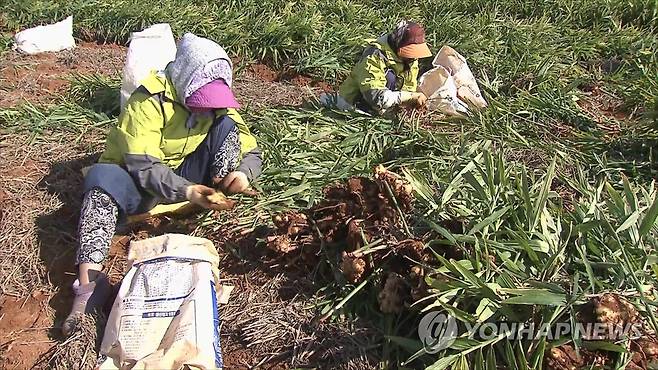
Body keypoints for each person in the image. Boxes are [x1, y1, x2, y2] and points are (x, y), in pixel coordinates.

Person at [61, 33, 262, 335]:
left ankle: (219, 184)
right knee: (101, 181)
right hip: (138, 183)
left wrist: (243, 173)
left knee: (227, 127)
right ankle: (90, 287)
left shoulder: (217, 103)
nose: (206, 108)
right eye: (200, 101)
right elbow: (144, 166)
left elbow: (252, 149)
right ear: (183, 80)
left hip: (186, 176)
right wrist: (188, 191)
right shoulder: (148, 101)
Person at [325, 21, 433, 114]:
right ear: (398, 44)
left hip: (385, 105)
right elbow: (376, 97)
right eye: (410, 51)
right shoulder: (375, 55)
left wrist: (410, 103)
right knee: (390, 76)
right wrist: (410, 97)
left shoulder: (411, 59)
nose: (413, 58)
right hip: (355, 104)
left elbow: (409, 87)